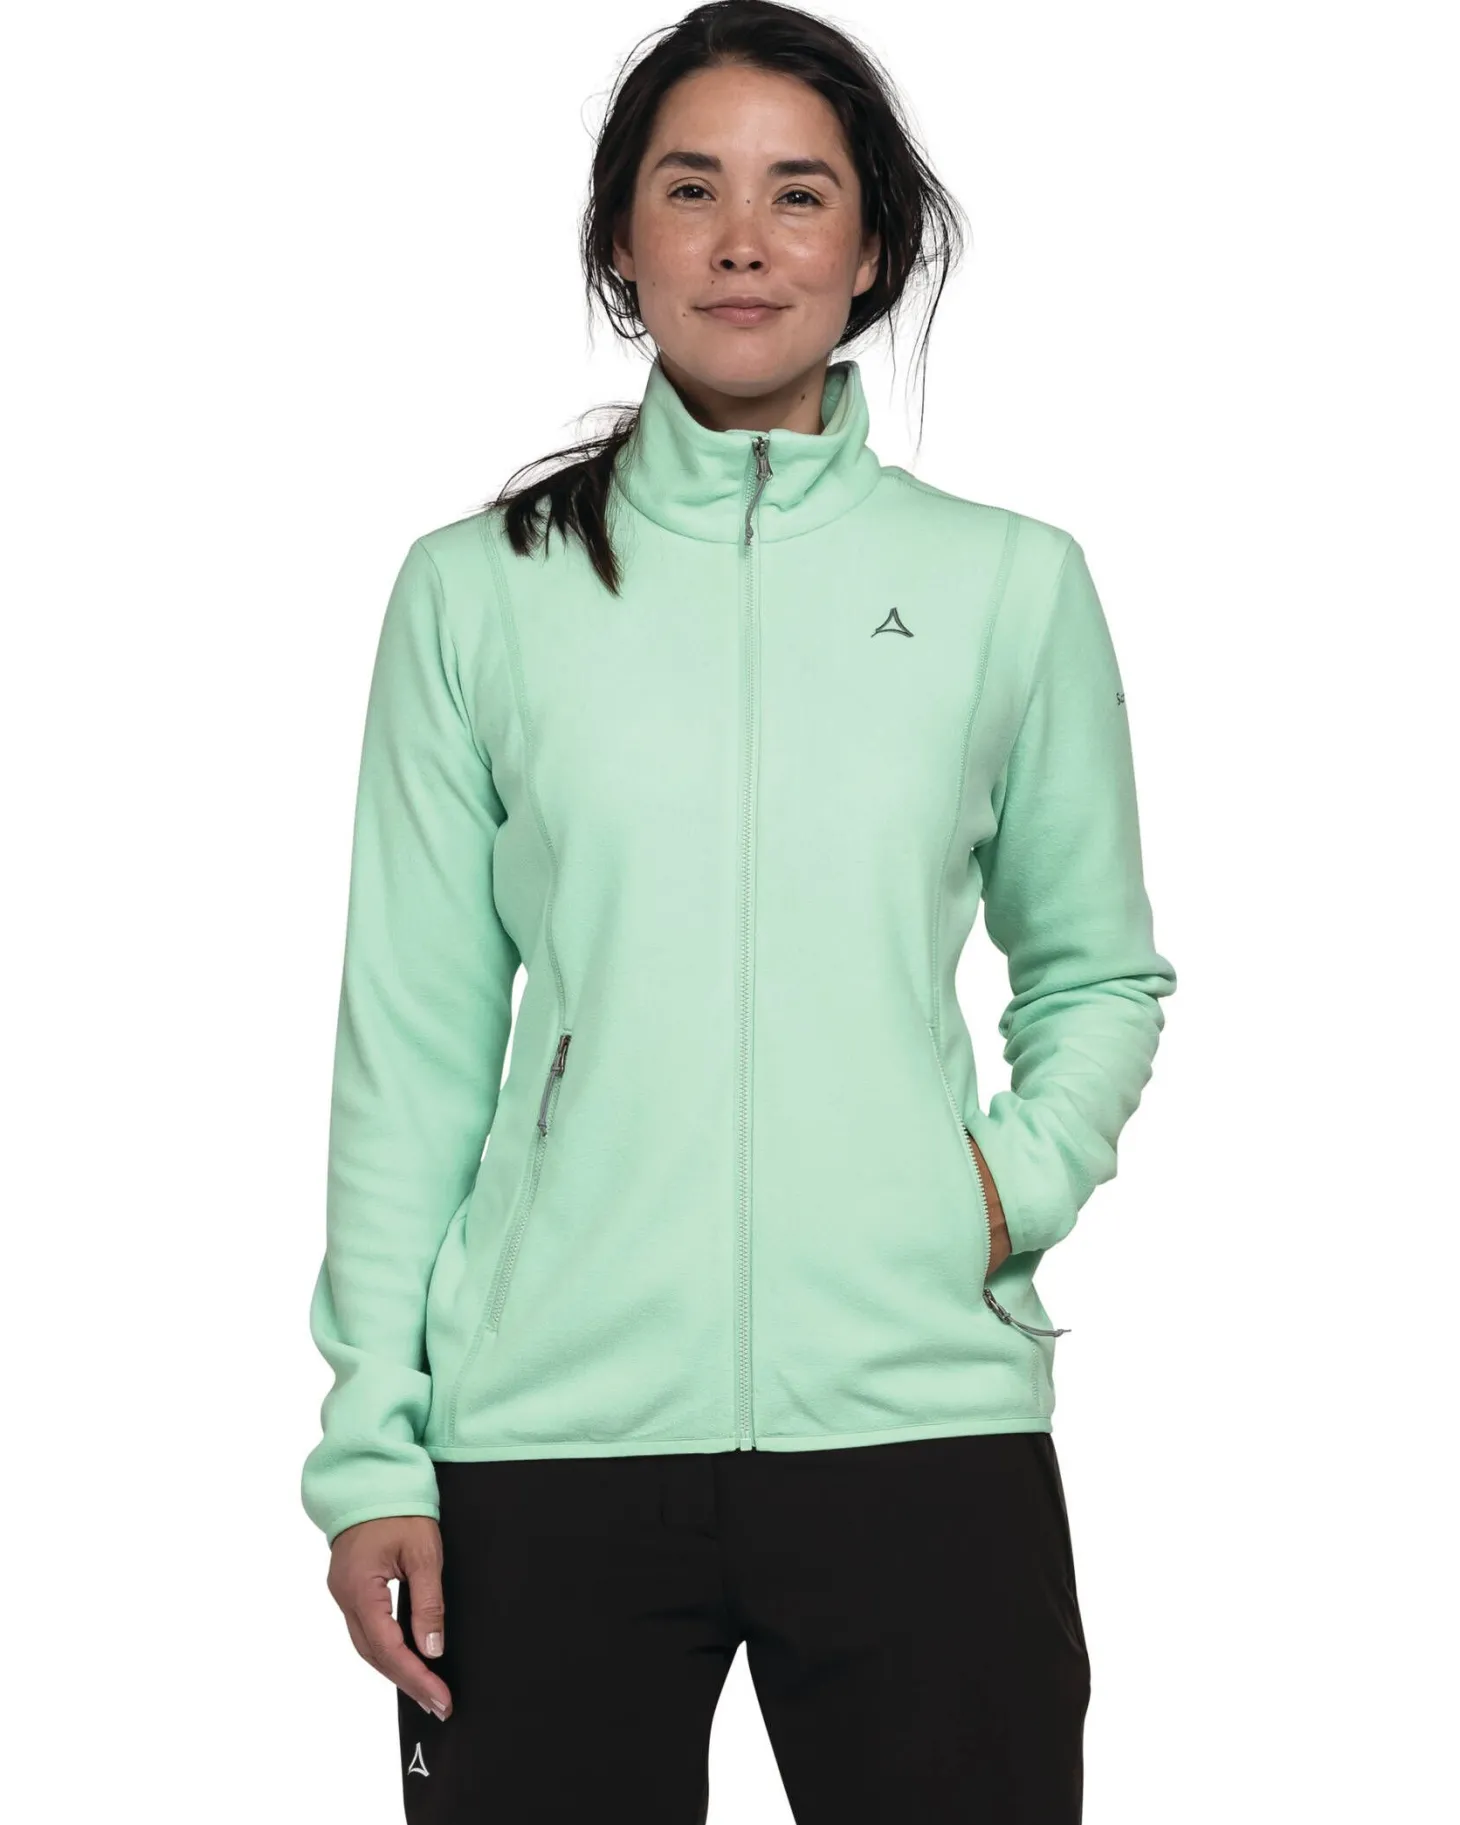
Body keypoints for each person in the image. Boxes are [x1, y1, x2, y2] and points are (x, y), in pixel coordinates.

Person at [300, 3, 1177, 1818]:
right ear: (622, 241)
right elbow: (412, 1048)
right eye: (690, 189)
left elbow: (1096, 969)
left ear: (874, 248)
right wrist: (375, 1448)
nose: (743, 240)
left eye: (799, 194)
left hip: (922, 1421)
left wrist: (999, 1187)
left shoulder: (1008, 586)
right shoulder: (478, 596)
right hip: (545, 1437)